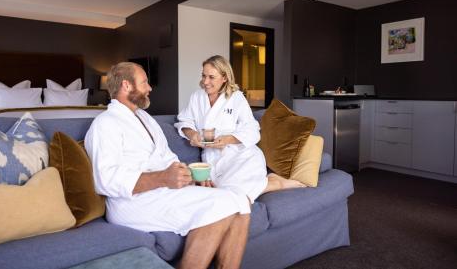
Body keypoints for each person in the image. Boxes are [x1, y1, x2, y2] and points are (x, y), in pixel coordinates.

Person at [85, 62, 251, 269]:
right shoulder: (105, 123)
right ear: (127, 86)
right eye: (145, 82)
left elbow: (167, 158)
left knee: (241, 201)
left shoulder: (145, 118)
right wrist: (163, 178)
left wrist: (189, 175)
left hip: (162, 190)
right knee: (221, 204)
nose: (150, 88)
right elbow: (105, 180)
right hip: (132, 202)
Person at [175, 55, 305, 203]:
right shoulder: (197, 97)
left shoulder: (236, 98)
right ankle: (270, 183)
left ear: (224, 77)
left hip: (240, 155)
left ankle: (276, 183)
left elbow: (252, 129)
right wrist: (192, 134)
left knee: (232, 195)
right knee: (223, 194)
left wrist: (227, 139)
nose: (205, 82)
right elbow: (184, 120)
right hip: (212, 158)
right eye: (204, 76)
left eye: (211, 77)